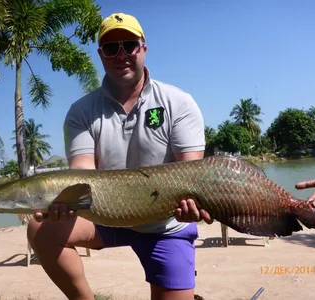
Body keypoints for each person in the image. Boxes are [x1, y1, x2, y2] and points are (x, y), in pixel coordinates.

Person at [27, 12, 213, 300]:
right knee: (41, 227)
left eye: (129, 45)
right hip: (106, 216)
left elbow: (192, 173)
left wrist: (193, 204)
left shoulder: (179, 102)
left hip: (165, 223)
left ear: (144, 49)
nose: (121, 54)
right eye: (112, 48)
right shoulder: (81, 112)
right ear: (101, 55)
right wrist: (65, 202)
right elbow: (82, 174)